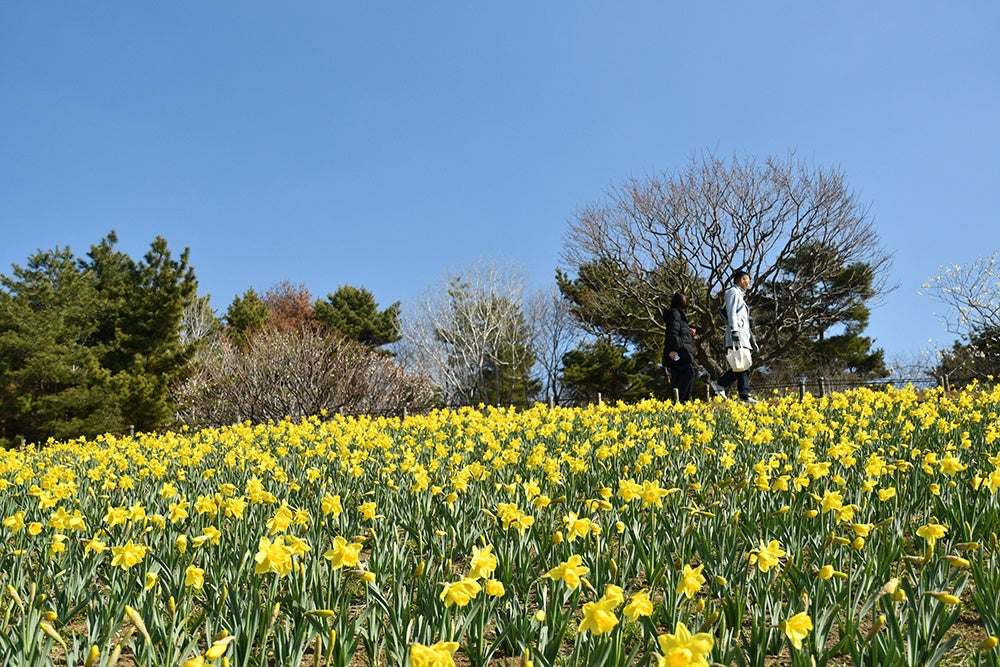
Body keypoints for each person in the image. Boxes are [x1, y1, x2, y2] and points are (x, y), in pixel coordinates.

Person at [710, 270, 758, 404]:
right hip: (736, 336)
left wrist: (752, 340)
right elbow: (731, 312)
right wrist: (735, 331)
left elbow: (745, 322)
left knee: (743, 365)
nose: (749, 283)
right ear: (742, 280)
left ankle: (742, 394)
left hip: (743, 336)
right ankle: (722, 385)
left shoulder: (740, 296)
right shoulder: (733, 292)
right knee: (742, 365)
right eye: (748, 280)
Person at [663, 292, 696, 403]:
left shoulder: (677, 314)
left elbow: (677, 330)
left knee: (678, 377)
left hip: (679, 350)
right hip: (679, 351)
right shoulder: (675, 314)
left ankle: (678, 403)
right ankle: (681, 402)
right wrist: (673, 350)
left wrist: (688, 330)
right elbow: (672, 333)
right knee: (688, 373)